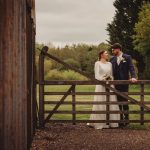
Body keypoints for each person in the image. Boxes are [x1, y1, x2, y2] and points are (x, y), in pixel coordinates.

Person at [87, 50, 120, 129]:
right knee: (100, 103)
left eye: (107, 53)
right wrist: (103, 79)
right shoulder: (97, 63)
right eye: (106, 53)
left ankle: (111, 123)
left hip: (109, 85)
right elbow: (97, 76)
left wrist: (110, 79)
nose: (107, 54)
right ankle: (100, 123)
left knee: (110, 102)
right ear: (101, 55)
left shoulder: (110, 64)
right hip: (101, 85)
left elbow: (111, 75)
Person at [110, 43, 137, 127]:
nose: (112, 51)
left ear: (118, 49)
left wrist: (133, 77)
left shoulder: (127, 57)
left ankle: (127, 119)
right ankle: (120, 120)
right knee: (117, 102)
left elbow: (131, 68)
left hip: (124, 83)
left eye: (113, 50)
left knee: (125, 101)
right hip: (115, 83)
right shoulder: (112, 59)